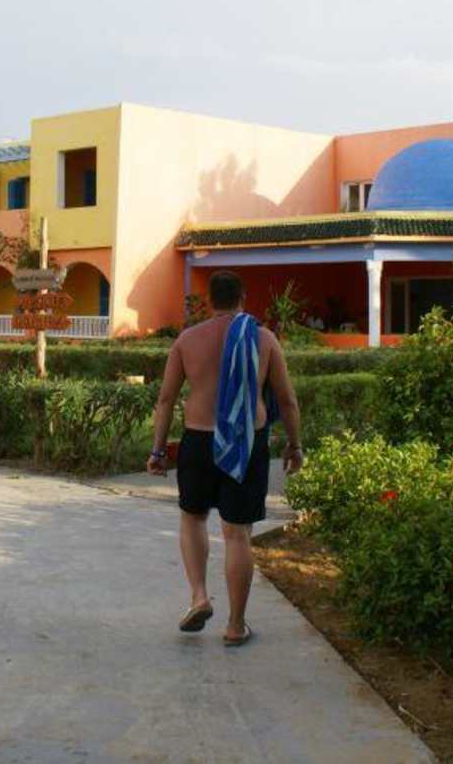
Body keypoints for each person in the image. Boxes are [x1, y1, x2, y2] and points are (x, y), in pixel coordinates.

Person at [147, 270, 303, 647]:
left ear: (210, 300)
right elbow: (287, 400)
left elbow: (166, 399)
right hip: (246, 442)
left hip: (198, 440)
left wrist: (157, 450)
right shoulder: (263, 338)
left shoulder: (187, 340)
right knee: (237, 533)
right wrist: (295, 445)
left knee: (193, 517)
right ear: (242, 298)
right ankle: (235, 626)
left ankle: (200, 596)